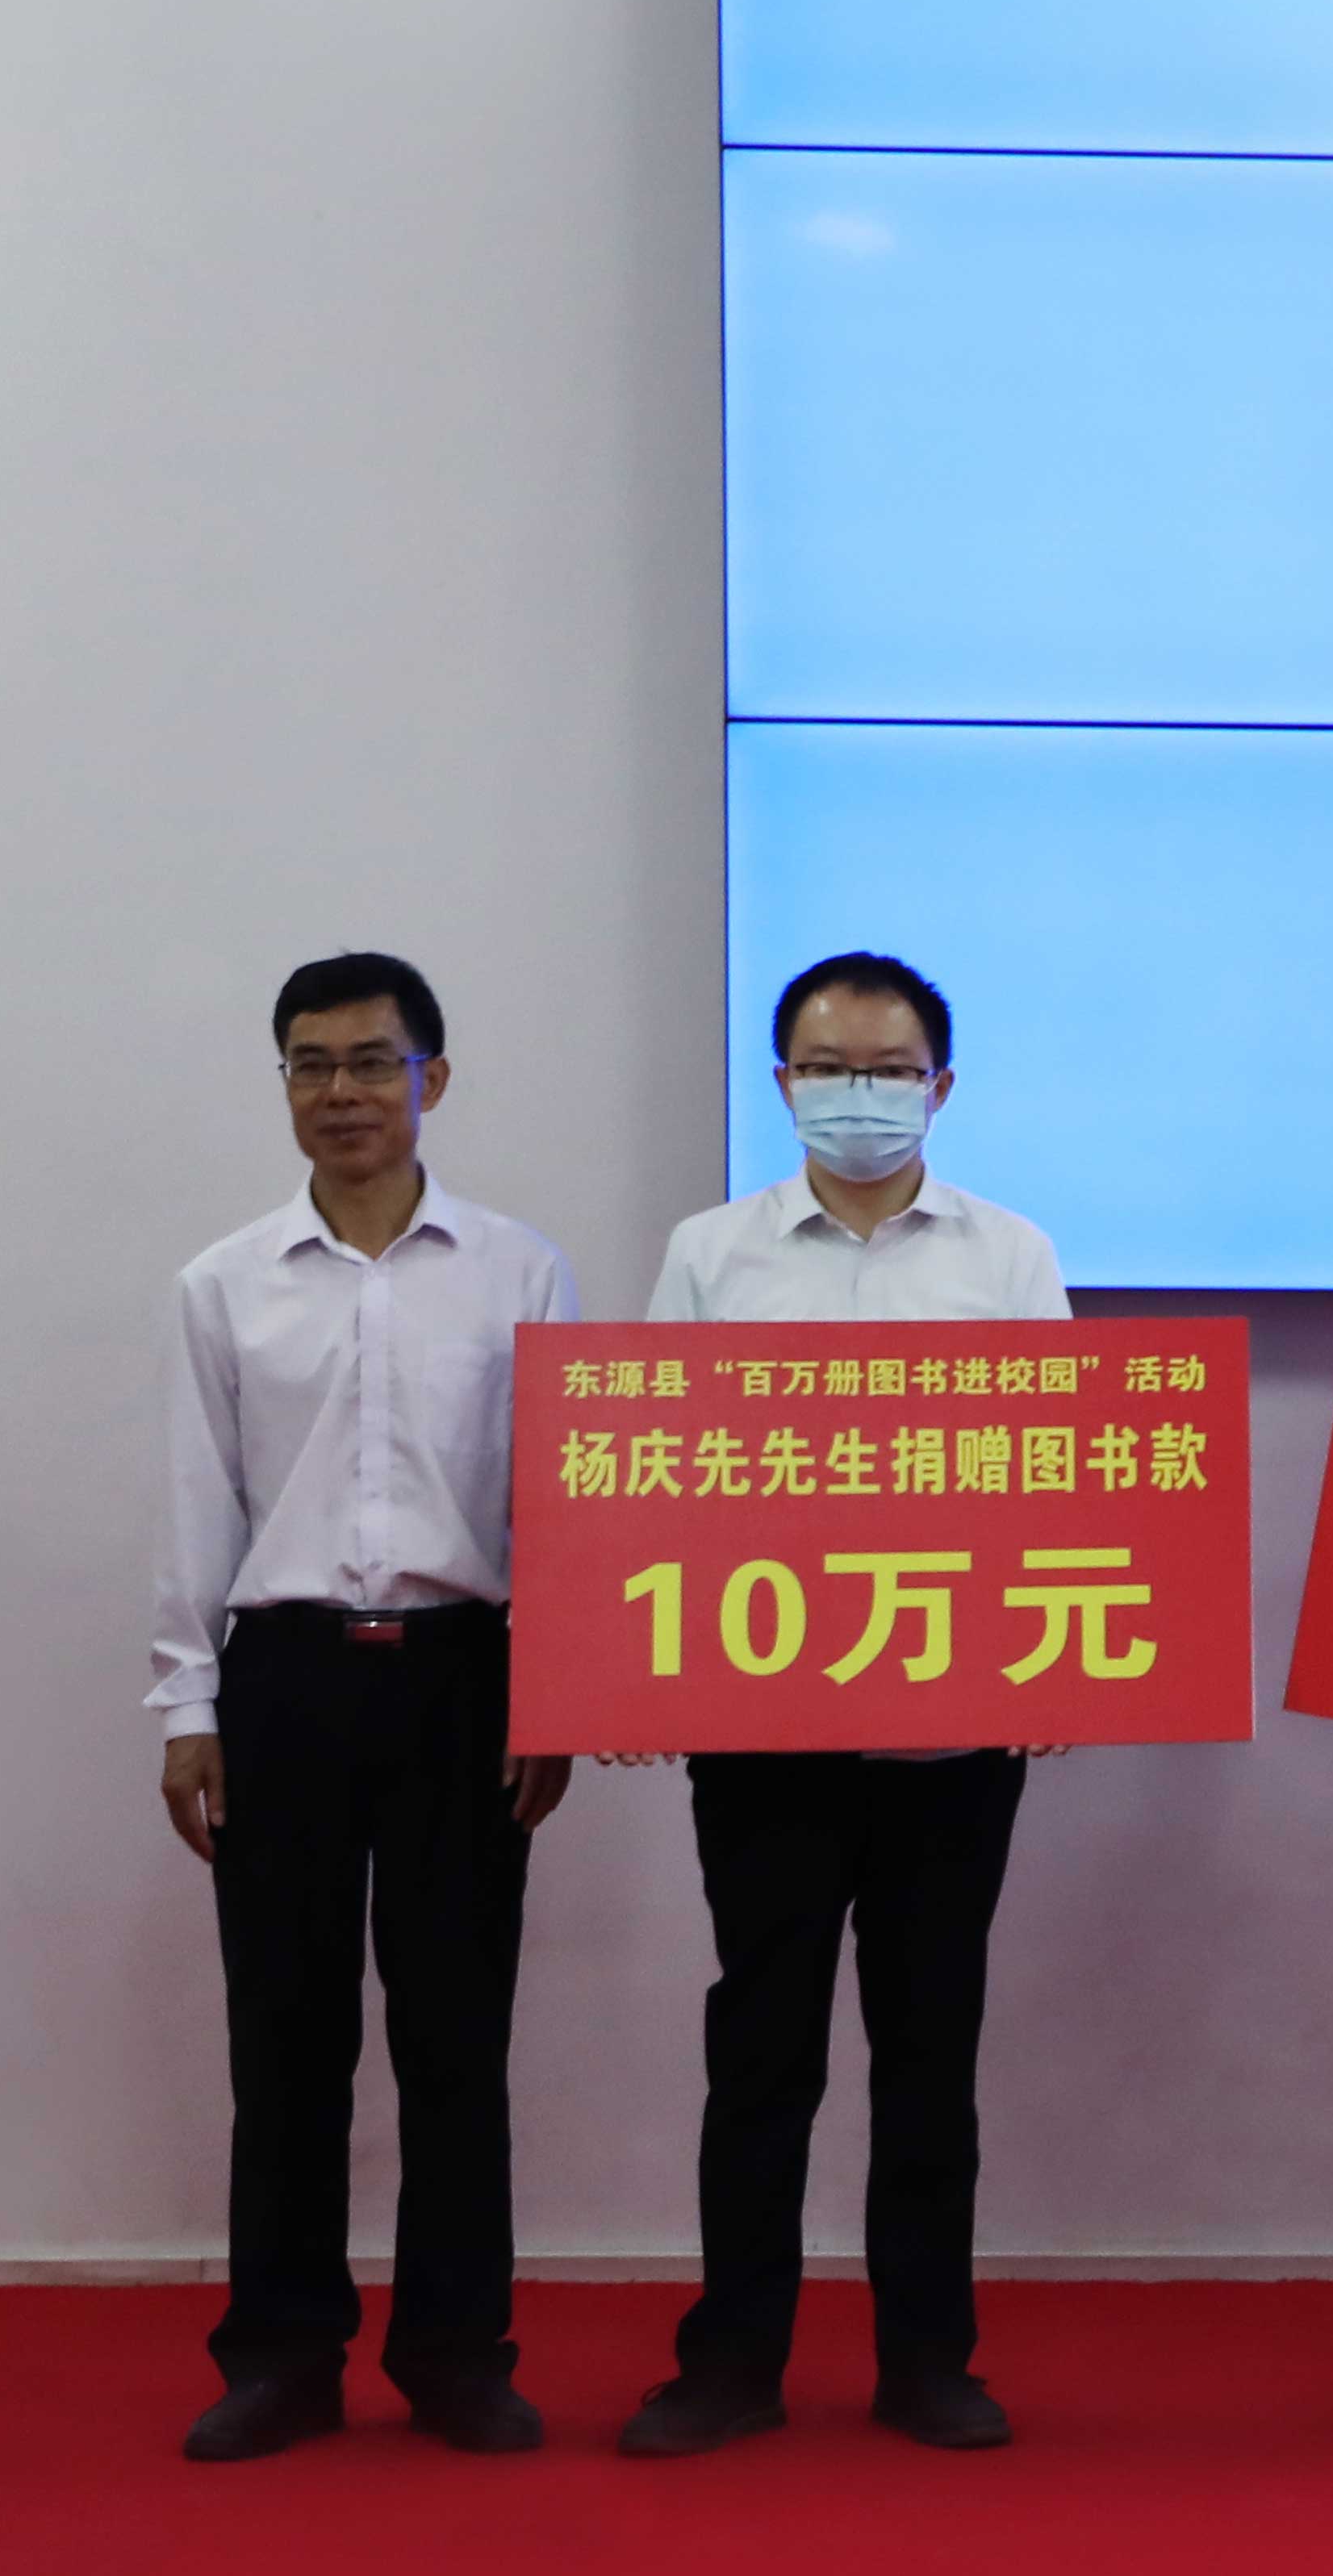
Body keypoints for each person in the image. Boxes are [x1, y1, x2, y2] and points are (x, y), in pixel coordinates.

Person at [616, 952, 1070, 2461]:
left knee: (930, 2058)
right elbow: (648, 1474)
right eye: (827, 1069)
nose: (857, 1095)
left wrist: (1057, 1666)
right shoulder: (712, 1254)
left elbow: (1062, 1477)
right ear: (782, 1084)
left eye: (887, 1070)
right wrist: (625, 1660)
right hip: (764, 1743)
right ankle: (731, 2362)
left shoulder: (1009, 1256)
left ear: (941, 1087)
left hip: (953, 1742)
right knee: (761, 2055)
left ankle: (928, 2362)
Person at [156, 955, 583, 2463]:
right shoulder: (223, 1283)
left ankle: (458, 2353)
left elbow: (554, 1501)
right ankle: (282, 2355)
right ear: (284, 1083)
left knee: (457, 2033)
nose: (340, 1091)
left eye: (370, 1062)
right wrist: (188, 1703)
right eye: (310, 1064)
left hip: (466, 1680)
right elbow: (198, 1502)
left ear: (431, 1080)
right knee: (285, 2035)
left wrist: (556, 1687)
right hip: (285, 1680)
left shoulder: (521, 1271)